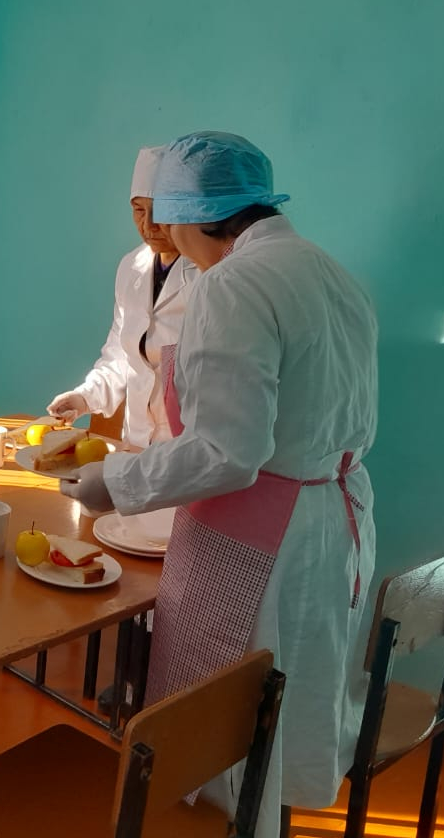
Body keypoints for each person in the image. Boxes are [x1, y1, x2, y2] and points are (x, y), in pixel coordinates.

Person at [61, 131, 378, 838]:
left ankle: (228, 822)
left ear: (193, 217)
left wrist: (113, 481)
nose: (163, 235)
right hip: (334, 515)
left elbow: (229, 452)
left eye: (165, 217)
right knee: (290, 698)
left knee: (229, 712)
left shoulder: (232, 285)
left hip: (261, 532)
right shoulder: (329, 270)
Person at [46, 145, 197, 448]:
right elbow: (120, 354)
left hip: (186, 446)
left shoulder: (209, 274)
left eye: (161, 210)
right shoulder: (132, 267)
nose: (149, 225)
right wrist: (84, 397)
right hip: (136, 440)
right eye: (139, 210)